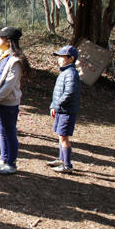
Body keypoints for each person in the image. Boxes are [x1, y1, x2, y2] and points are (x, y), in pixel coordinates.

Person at [0, 27, 33, 175]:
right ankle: (3, 159)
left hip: (8, 103)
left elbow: (8, 86)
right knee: (2, 132)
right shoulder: (0, 57)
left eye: (0, 37)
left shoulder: (15, 61)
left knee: (10, 133)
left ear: (8, 40)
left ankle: (11, 163)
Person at [46, 45, 82, 173]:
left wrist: (57, 105)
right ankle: (61, 160)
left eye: (62, 56)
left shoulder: (71, 73)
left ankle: (67, 165)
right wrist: (53, 105)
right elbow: (58, 92)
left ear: (71, 59)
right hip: (61, 110)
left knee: (64, 137)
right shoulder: (65, 72)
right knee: (60, 136)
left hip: (67, 111)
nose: (59, 59)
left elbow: (69, 93)